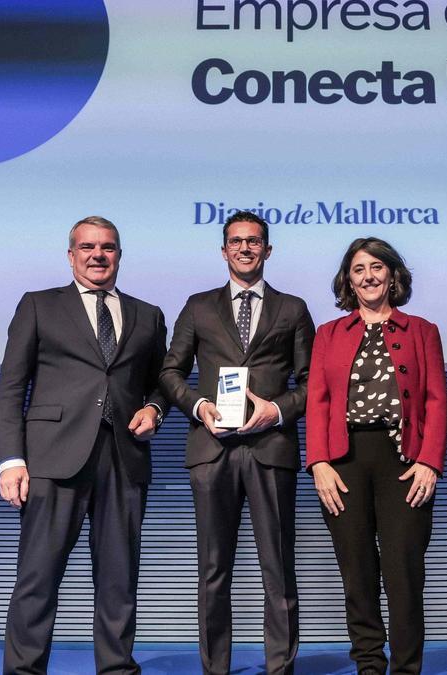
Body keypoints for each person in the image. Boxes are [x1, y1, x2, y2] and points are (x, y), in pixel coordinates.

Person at [0, 216, 169, 675]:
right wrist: (11, 460)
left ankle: (115, 668)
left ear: (119, 255)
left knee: (119, 578)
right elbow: (12, 387)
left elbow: (160, 383)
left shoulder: (148, 314)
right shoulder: (38, 305)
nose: (98, 255)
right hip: (52, 458)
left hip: (124, 458)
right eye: (87, 247)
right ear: (71, 255)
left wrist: (154, 410)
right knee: (38, 576)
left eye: (108, 247)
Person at [159, 211, 315, 675]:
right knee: (213, 570)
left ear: (268, 250)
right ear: (223, 250)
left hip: (271, 449)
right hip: (212, 451)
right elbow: (169, 372)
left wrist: (278, 409)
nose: (245, 248)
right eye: (236, 241)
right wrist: (199, 405)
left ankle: (280, 668)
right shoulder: (198, 305)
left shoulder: (293, 308)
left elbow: (311, 382)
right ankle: (216, 669)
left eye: (254, 241)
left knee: (278, 569)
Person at [305, 237, 447, 675]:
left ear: (392, 275)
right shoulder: (329, 334)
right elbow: (317, 400)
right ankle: (369, 664)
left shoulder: (422, 330)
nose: (368, 276)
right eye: (358, 269)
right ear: (349, 279)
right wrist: (319, 463)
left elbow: (436, 401)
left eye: (376, 267)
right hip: (343, 461)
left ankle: (406, 668)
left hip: (404, 462)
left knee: (404, 572)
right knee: (357, 571)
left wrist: (429, 462)